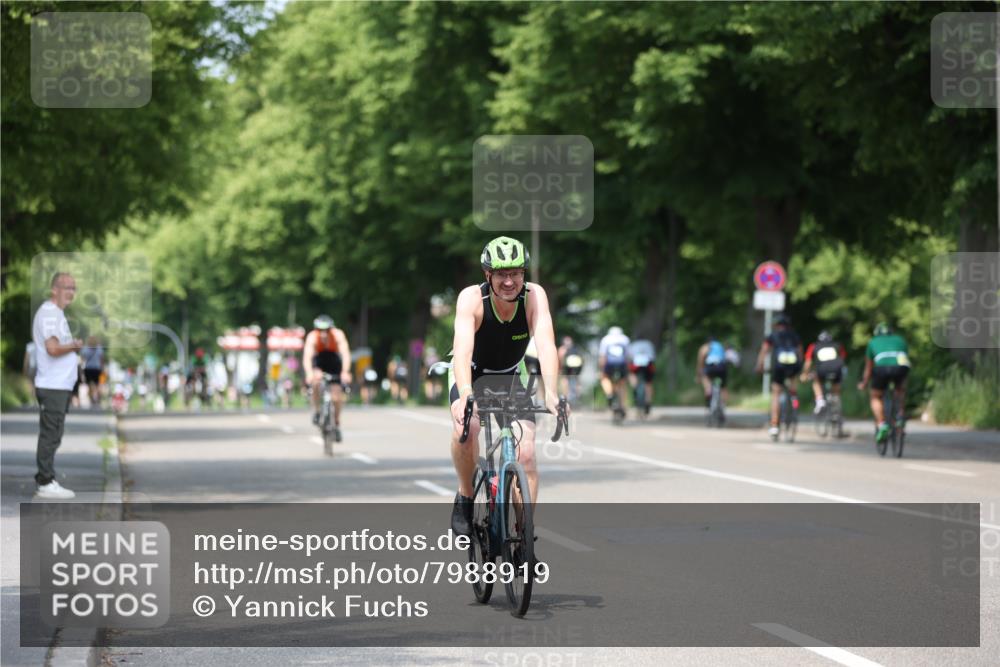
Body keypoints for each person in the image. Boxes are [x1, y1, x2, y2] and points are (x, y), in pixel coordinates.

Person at [448, 236, 564, 536]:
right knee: (467, 430)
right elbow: (461, 352)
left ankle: (524, 533)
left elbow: (547, 345)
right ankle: (465, 495)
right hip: (471, 375)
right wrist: (465, 396)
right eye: (502, 274)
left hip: (512, 375)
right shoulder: (471, 299)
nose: (510, 281)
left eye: (516, 273)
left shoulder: (534, 296)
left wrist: (551, 392)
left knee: (525, 454)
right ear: (488, 275)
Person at [32, 272, 83, 499]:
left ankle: (47, 478)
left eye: (74, 288)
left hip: (59, 385)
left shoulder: (56, 314)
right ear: (54, 289)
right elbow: (53, 349)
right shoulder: (50, 314)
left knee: (55, 433)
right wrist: (73, 346)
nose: (71, 292)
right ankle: (45, 481)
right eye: (66, 287)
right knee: (51, 434)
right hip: (52, 385)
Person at [857, 322, 911, 444]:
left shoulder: (872, 342)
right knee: (900, 391)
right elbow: (906, 360)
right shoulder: (900, 339)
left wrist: (864, 383)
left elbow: (869, 367)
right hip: (901, 367)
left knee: (875, 396)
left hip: (882, 368)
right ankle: (900, 417)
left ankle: (882, 424)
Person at [302, 315, 351, 440]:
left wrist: (345, 371)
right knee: (316, 382)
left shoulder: (338, 335)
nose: (323, 334)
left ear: (331, 329)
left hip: (334, 361)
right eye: (320, 330)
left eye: (326, 330)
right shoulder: (312, 337)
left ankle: (336, 422)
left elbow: (345, 353)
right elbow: (307, 357)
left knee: (336, 396)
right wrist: (309, 373)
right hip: (319, 361)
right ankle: (318, 411)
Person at [754, 314, 803, 439]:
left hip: (779, 366)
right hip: (793, 366)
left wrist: (759, 365)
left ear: (777, 325)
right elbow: (800, 352)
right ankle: (794, 401)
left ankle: (775, 425)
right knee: (792, 386)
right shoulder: (794, 335)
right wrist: (800, 367)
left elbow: (765, 350)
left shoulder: (773, 335)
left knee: (776, 393)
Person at [801, 331, 847, 414]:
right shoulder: (837, 345)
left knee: (816, 380)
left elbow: (808, 362)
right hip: (836, 369)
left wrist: (804, 374)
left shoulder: (814, 346)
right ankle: (835, 402)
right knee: (836, 388)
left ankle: (820, 400)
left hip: (822, 370)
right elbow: (843, 358)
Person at [598, 325, 630, 417]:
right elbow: (628, 356)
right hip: (622, 364)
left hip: (610, 364)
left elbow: (603, 356)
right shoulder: (625, 339)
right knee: (622, 384)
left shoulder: (606, 339)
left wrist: (601, 369)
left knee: (604, 378)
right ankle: (622, 406)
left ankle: (609, 394)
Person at [696, 335, 729, 409]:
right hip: (722, 366)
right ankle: (723, 406)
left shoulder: (706, 346)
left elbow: (701, 360)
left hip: (711, 366)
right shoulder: (720, 346)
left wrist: (699, 374)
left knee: (705, 377)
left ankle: (708, 390)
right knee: (723, 387)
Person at [628, 337, 657, 415]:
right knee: (649, 383)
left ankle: (634, 388)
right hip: (648, 365)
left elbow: (629, 357)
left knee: (631, 374)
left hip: (635, 365)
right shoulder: (649, 344)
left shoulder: (633, 345)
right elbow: (653, 356)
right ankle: (648, 401)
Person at [557, 336, 584, 406]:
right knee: (577, 379)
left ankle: (565, 397)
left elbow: (560, 360)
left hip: (567, 365)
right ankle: (578, 394)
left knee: (565, 378)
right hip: (577, 364)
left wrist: (560, 369)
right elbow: (582, 359)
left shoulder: (562, 349)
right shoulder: (576, 349)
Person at [80, 336, 105, 409]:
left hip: (88, 368)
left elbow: (82, 359)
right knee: (98, 385)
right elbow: (102, 359)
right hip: (97, 369)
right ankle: (98, 398)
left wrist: (81, 369)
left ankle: (92, 399)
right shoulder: (99, 349)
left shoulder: (85, 349)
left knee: (89, 385)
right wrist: (103, 368)